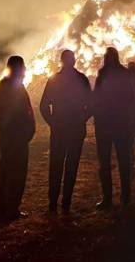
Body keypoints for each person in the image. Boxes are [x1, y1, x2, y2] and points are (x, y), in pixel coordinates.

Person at [39, 50, 91, 213]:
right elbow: (91, 104)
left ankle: (53, 203)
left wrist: (53, 122)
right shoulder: (81, 79)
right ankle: (65, 203)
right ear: (72, 61)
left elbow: (43, 106)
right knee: (71, 166)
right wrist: (82, 118)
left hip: (60, 129)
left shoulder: (55, 80)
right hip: (74, 129)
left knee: (56, 165)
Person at [93, 48, 134, 209]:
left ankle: (108, 198)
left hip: (105, 124)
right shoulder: (123, 73)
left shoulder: (102, 74)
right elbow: (130, 96)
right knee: (123, 159)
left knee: (105, 161)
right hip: (120, 123)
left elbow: (96, 97)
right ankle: (125, 196)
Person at [0, 56, 35, 220]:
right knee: (16, 172)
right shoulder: (13, 87)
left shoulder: (4, 85)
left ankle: (3, 207)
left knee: (6, 170)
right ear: (18, 68)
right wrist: (26, 131)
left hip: (10, 136)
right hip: (16, 137)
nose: (25, 70)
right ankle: (11, 209)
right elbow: (19, 112)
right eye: (23, 67)